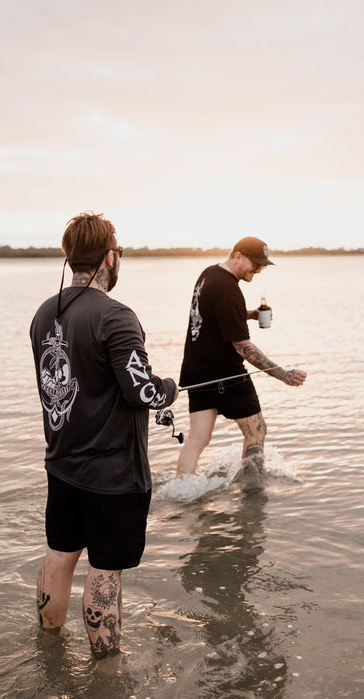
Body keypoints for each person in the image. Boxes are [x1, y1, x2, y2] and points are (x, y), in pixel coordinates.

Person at [30, 212, 178, 656]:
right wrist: (169, 388)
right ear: (110, 258)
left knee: (59, 555)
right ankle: (108, 672)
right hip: (113, 476)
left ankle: (49, 649)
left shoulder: (44, 313)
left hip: (61, 465)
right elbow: (143, 392)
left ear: (69, 256)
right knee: (105, 571)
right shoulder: (115, 315)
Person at [177, 236, 307, 477]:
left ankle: (180, 489)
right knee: (256, 432)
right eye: (255, 264)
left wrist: (249, 314)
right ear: (238, 256)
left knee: (197, 438)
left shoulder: (209, 274)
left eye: (262, 266)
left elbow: (212, 314)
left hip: (196, 372)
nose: (258, 270)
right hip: (226, 375)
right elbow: (243, 347)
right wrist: (284, 375)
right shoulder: (229, 288)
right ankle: (252, 492)